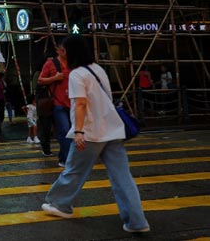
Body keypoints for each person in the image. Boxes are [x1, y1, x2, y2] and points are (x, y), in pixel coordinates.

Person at [42, 35, 150, 234]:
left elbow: (80, 105)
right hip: (113, 130)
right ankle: (137, 221)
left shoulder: (76, 75)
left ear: (72, 52)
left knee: (73, 171)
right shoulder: (98, 69)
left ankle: (60, 205)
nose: (60, 53)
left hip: (90, 133)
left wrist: (78, 131)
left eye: (63, 51)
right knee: (122, 178)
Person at [38, 42, 71, 167]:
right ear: (58, 50)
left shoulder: (73, 64)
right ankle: (66, 159)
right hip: (58, 103)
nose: (66, 53)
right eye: (63, 50)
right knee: (64, 130)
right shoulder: (50, 64)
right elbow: (40, 80)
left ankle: (63, 157)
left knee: (70, 132)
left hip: (72, 103)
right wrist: (54, 78)